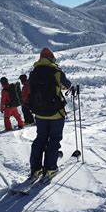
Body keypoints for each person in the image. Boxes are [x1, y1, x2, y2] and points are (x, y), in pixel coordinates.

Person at [28, 48, 71, 181]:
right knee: (53, 139)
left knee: (40, 138)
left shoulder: (33, 72)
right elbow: (66, 86)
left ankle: (36, 169)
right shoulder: (56, 72)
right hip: (55, 113)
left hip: (39, 113)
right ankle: (50, 168)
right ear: (52, 58)